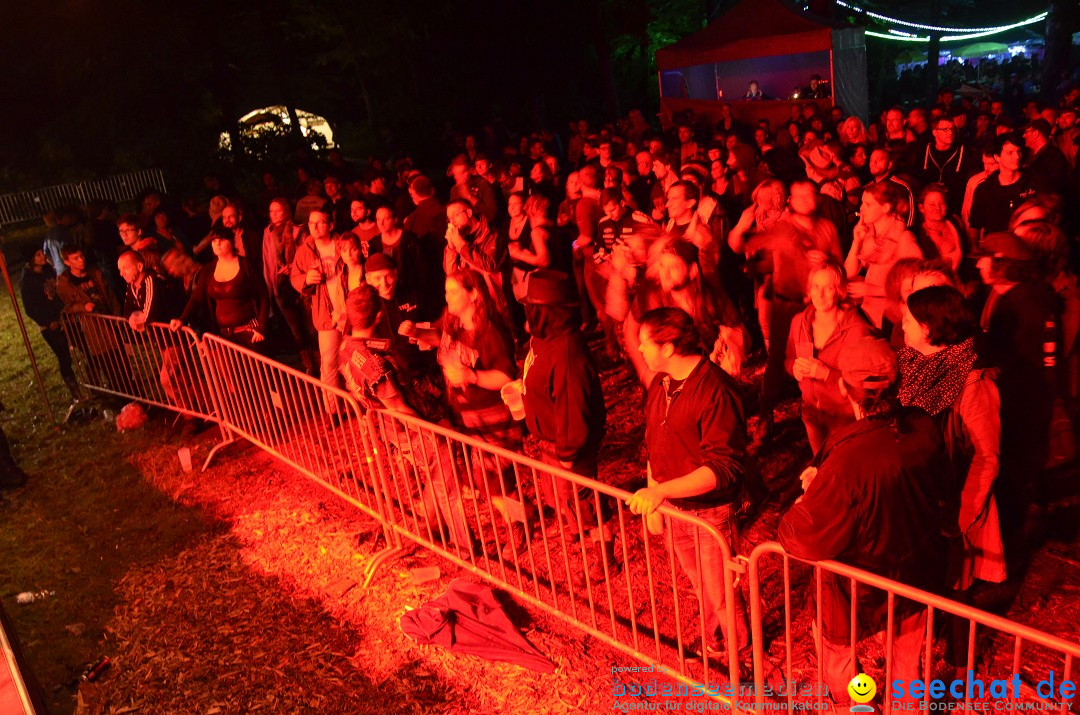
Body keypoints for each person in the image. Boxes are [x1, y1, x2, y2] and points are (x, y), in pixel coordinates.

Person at [778, 337, 953, 707]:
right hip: (915, 573)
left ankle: (855, 706)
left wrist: (807, 497)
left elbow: (804, 536)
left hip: (855, 583)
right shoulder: (922, 427)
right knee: (908, 660)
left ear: (843, 387)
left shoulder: (848, 455)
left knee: (838, 655)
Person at [626, 307, 751, 669]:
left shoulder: (715, 391)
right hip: (675, 508)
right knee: (701, 586)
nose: (639, 348)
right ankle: (716, 638)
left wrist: (662, 491)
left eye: (645, 342)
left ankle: (740, 655)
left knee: (722, 591)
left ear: (667, 347)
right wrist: (655, 494)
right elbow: (654, 443)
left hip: (709, 510)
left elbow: (723, 467)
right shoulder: (660, 384)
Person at [339, 284, 474, 556]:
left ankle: (433, 528)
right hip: (407, 430)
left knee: (437, 477)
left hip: (391, 429)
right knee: (446, 479)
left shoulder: (346, 346)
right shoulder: (373, 364)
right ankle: (464, 546)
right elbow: (398, 407)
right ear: (379, 316)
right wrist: (432, 434)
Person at [403, 269, 525, 559]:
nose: (448, 297)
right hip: (465, 417)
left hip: (493, 418)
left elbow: (506, 374)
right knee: (483, 480)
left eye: (454, 292)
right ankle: (521, 514)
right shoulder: (453, 322)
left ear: (474, 294)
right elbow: (440, 338)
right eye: (446, 291)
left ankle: (520, 524)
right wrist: (418, 333)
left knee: (492, 481)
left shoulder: (490, 332)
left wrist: (471, 376)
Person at [515, 271, 614, 581]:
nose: (527, 312)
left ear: (547, 312)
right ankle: (577, 532)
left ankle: (605, 557)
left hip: (566, 447)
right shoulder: (543, 339)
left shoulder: (567, 352)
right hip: (548, 442)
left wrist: (568, 455)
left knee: (586, 502)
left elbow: (573, 410)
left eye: (532, 306)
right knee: (560, 496)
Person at [786, 263, 873, 454]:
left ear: (840, 291)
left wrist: (827, 374)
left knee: (842, 466)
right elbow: (789, 358)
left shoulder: (856, 330)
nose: (820, 294)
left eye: (828, 287)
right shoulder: (799, 322)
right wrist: (793, 367)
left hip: (842, 416)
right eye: (816, 286)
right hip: (811, 412)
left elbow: (862, 387)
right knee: (820, 463)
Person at [172, 226, 269, 351]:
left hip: (250, 331)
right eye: (214, 241)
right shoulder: (208, 269)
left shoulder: (246, 265)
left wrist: (261, 328)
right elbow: (197, 298)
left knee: (254, 369)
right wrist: (182, 319)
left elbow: (264, 296)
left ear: (231, 242)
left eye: (221, 240)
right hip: (224, 335)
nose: (217, 244)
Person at [845, 181, 923, 330]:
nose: (861, 209)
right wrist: (856, 242)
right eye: (862, 203)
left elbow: (919, 285)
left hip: (891, 321)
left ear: (885, 208)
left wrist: (873, 290)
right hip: (868, 315)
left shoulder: (904, 239)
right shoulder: (868, 234)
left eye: (868, 205)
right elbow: (849, 272)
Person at [290, 205, 347, 403]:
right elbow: (294, 276)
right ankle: (332, 409)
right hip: (326, 313)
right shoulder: (304, 250)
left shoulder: (343, 243)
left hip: (350, 309)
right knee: (329, 362)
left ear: (330, 225)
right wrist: (306, 278)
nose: (314, 227)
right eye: (311, 223)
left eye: (320, 222)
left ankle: (364, 405)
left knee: (356, 358)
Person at [20, 248, 81, 400]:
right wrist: (47, 322)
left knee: (84, 344)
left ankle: (95, 383)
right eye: (38, 254)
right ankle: (76, 394)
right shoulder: (27, 281)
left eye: (42, 253)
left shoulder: (48, 270)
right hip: (50, 325)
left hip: (64, 316)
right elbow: (30, 308)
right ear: (31, 259)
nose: (42, 257)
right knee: (64, 357)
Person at [913, 184, 964, 271]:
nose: (938, 208)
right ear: (921, 208)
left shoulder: (955, 223)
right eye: (932, 204)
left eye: (941, 203)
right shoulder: (916, 234)